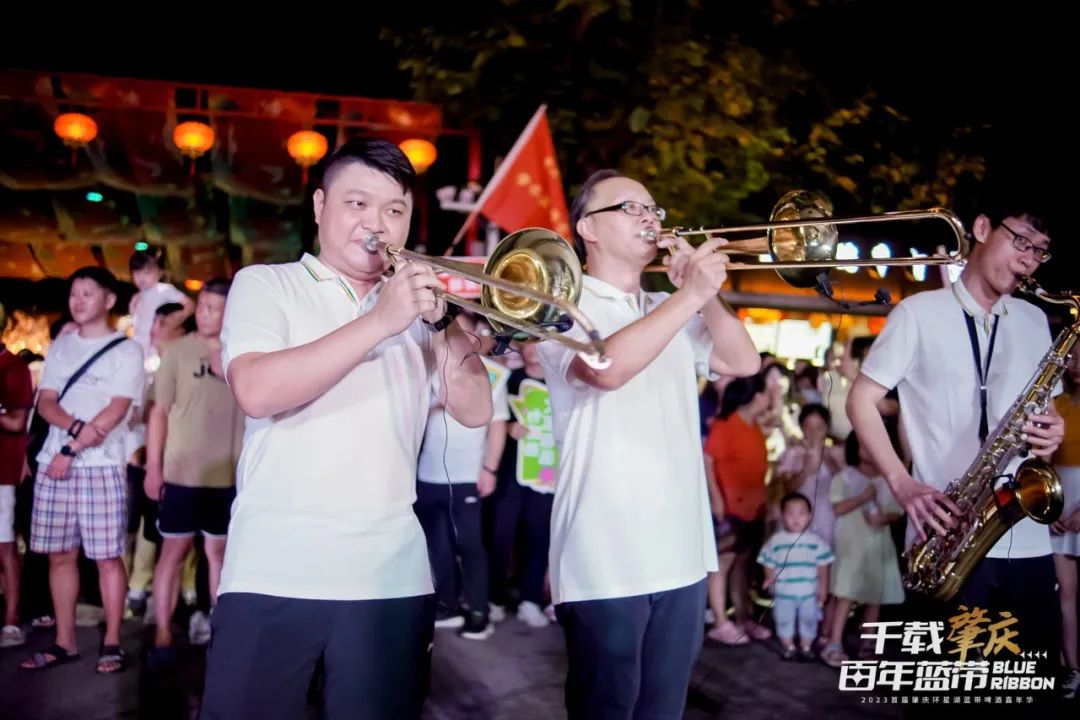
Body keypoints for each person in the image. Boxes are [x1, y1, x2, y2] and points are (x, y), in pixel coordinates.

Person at [200, 138, 494, 720]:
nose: (376, 224)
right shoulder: (267, 284)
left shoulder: (418, 310)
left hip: (391, 578)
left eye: (394, 210)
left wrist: (443, 324)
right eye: (357, 204)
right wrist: (382, 320)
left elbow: (476, 408)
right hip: (272, 569)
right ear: (319, 206)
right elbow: (256, 391)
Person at [536, 169, 760, 719]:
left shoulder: (668, 304)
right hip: (603, 553)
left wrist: (705, 297)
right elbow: (606, 369)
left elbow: (743, 362)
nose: (650, 218)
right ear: (588, 227)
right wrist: (690, 295)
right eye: (630, 207)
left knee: (664, 709)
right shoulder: (558, 303)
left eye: (653, 209)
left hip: (682, 552)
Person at [847, 198, 1065, 664]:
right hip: (944, 542)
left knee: (1031, 688)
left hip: (1027, 539)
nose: (1028, 259)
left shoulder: (1033, 321)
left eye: (1039, 250)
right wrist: (901, 483)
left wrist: (1053, 431)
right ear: (982, 228)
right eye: (1021, 241)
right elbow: (859, 400)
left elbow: (1047, 413)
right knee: (947, 693)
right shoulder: (917, 313)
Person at [19, 267, 145, 674]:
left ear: (109, 300)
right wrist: (74, 431)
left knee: (107, 556)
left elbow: (117, 408)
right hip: (56, 462)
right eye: (74, 293)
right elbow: (46, 402)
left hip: (100, 463)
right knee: (60, 556)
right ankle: (65, 641)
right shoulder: (62, 344)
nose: (78, 300)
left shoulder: (127, 351)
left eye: (88, 293)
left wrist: (71, 449)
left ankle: (112, 641)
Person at [144, 279, 242, 661]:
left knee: (219, 553)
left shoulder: (243, 352)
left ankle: (221, 634)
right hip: (181, 471)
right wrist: (153, 467)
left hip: (228, 474)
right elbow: (159, 412)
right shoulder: (177, 351)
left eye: (214, 308)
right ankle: (163, 634)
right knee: (173, 551)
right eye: (202, 306)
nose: (204, 314)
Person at [415, 313, 509, 640]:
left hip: (467, 475)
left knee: (469, 545)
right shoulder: (427, 367)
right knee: (437, 544)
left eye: (467, 333)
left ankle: (479, 612)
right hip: (427, 475)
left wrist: (490, 469)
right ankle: (448, 606)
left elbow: (497, 427)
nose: (462, 338)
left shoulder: (490, 374)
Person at [820, 431, 904, 667]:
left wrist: (883, 518)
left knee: (874, 595)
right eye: (864, 446)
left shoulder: (889, 478)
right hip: (851, 545)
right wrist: (863, 497)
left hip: (878, 544)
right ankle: (834, 643)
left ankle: (868, 642)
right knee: (845, 593)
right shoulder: (845, 477)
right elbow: (838, 509)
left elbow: (897, 512)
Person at [703, 373, 771, 645]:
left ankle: (744, 618)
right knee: (723, 563)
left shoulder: (752, 425)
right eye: (764, 392)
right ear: (753, 396)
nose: (767, 398)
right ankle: (720, 622)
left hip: (754, 507)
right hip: (730, 506)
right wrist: (716, 499)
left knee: (744, 563)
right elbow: (708, 461)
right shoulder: (726, 424)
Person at [757, 492, 833, 661]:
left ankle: (806, 647)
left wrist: (823, 587)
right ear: (782, 515)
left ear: (809, 516)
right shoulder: (776, 541)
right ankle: (789, 647)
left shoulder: (815, 541)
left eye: (801, 513)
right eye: (790, 513)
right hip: (784, 592)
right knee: (784, 620)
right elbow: (767, 561)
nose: (796, 518)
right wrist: (769, 577)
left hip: (809, 592)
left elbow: (823, 566)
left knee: (809, 620)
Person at [0, 302, 33, 648]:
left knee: (4, 545)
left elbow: (16, 421)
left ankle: (11, 619)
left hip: (2, 471)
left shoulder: (13, 367)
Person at [1051, 347, 1080, 698]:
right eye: (1072, 358)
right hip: (1058, 503)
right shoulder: (1054, 404)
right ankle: (1071, 667)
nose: (1076, 365)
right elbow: (1042, 461)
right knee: (1065, 594)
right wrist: (1052, 510)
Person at [128, 250, 193, 359]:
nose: (141, 277)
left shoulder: (164, 290)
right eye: (137, 273)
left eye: (147, 272)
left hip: (157, 346)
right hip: (140, 347)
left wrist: (178, 317)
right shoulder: (136, 298)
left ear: (160, 272)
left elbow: (189, 304)